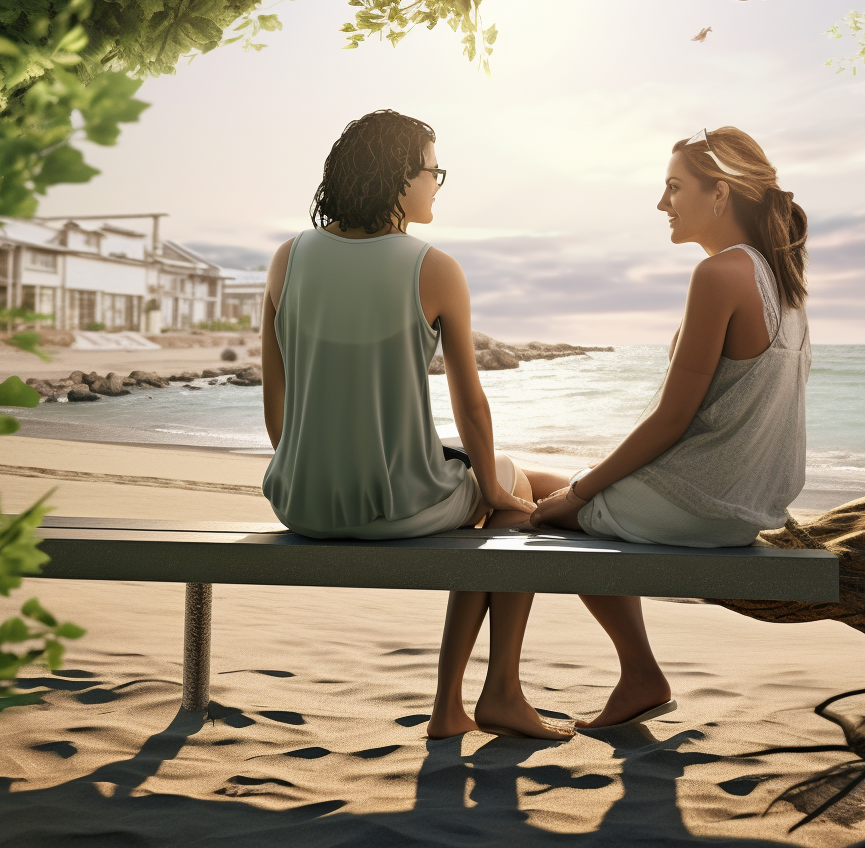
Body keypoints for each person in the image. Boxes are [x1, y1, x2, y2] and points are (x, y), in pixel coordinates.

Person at [260, 109, 571, 740]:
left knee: (509, 481)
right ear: (400, 177)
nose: (437, 185)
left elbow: (276, 404)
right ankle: (491, 696)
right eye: (435, 171)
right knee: (517, 495)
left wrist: (317, 469)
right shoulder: (432, 266)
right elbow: (471, 405)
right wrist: (492, 487)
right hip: (392, 509)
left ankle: (457, 708)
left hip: (298, 502)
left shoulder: (286, 258)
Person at [531, 126, 811, 728]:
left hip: (695, 502)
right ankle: (636, 676)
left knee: (521, 503)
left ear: (721, 193)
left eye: (674, 187)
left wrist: (579, 494)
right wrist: (580, 490)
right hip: (743, 509)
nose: (662, 204)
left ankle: (634, 675)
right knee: (538, 485)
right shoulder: (784, 285)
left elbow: (672, 418)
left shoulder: (721, 275)